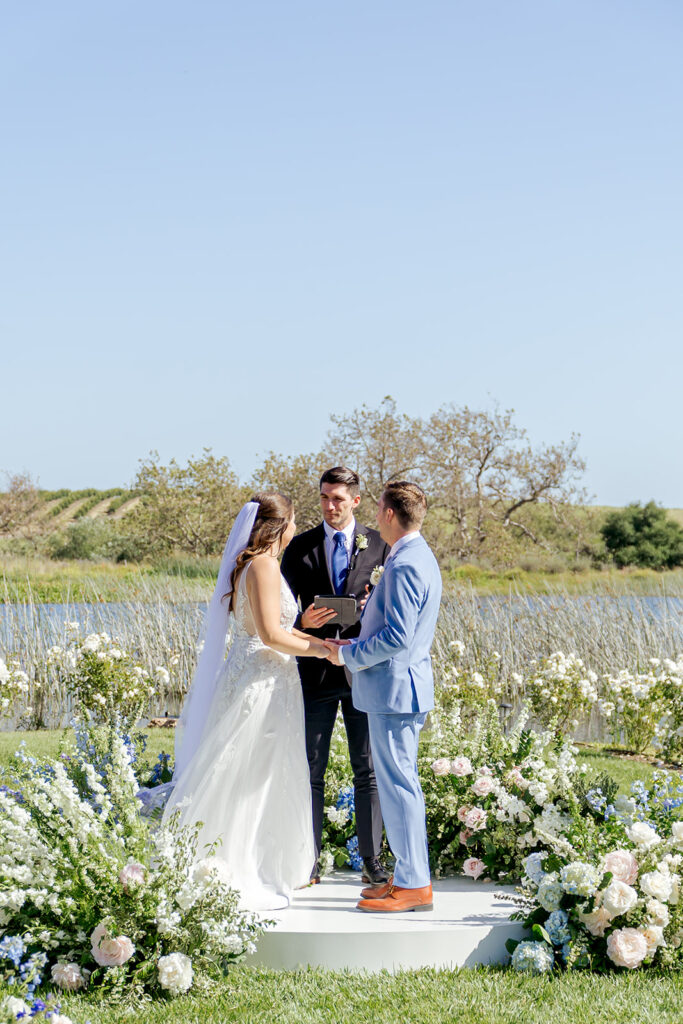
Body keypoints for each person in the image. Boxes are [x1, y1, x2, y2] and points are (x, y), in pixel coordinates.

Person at [163, 493, 329, 911]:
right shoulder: (267, 565)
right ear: (278, 526)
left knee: (248, 770)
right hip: (265, 681)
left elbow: (269, 626)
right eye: (293, 520)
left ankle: (234, 859)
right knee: (254, 774)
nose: (296, 527)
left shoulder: (249, 565)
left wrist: (313, 637)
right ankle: (240, 866)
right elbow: (272, 637)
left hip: (253, 674)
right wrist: (326, 651)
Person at [325, 481, 442, 912]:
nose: (375, 517)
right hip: (395, 690)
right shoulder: (409, 554)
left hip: (396, 690)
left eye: (378, 509)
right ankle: (408, 875)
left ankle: (414, 885)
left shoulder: (408, 563)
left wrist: (349, 654)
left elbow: (397, 636)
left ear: (390, 514)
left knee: (399, 787)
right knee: (398, 785)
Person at [280, 467, 390, 885]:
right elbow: (280, 611)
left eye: (338, 499)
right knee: (311, 769)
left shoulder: (380, 545)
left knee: (368, 769)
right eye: (325, 497)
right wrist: (303, 619)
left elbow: (391, 607)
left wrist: (369, 610)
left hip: (363, 672)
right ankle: (307, 859)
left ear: (356, 501)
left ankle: (372, 860)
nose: (330, 506)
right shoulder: (300, 547)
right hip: (313, 674)